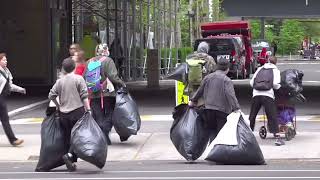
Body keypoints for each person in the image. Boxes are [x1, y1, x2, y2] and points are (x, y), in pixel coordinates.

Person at [48, 58, 91, 171]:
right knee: (77, 137)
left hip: (63, 114)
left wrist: (58, 105)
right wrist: (88, 110)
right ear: (74, 67)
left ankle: (70, 162)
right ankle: (70, 156)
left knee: (68, 137)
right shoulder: (79, 79)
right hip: (77, 112)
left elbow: (51, 95)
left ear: (63, 68)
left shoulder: (60, 81)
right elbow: (84, 97)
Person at [188, 57, 240, 142]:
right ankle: (218, 152)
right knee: (221, 134)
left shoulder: (208, 77)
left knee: (212, 132)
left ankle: (211, 150)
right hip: (222, 111)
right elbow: (231, 95)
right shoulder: (227, 80)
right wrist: (236, 108)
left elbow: (199, 91)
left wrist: (193, 101)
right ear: (227, 69)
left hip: (208, 110)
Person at [84, 43, 126, 145]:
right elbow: (113, 77)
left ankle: (101, 136)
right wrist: (122, 84)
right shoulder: (108, 61)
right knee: (110, 113)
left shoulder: (89, 61)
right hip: (107, 93)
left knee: (98, 115)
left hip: (93, 94)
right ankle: (105, 131)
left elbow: (84, 76)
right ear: (106, 51)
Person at [249, 56, 284, 146]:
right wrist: (280, 89)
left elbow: (251, 83)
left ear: (268, 61)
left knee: (253, 115)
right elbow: (275, 84)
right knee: (272, 115)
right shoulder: (275, 71)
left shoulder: (260, 69)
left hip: (256, 94)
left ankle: (249, 133)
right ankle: (277, 137)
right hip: (268, 95)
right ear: (276, 63)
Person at [0, 52, 26, 146]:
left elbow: (10, 85)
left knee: (5, 119)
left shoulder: (6, 72)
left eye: (6, 59)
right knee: (5, 119)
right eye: (3, 60)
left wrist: (20, 89)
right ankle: (13, 140)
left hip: (2, 98)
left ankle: (13, 140)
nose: (5, 61)